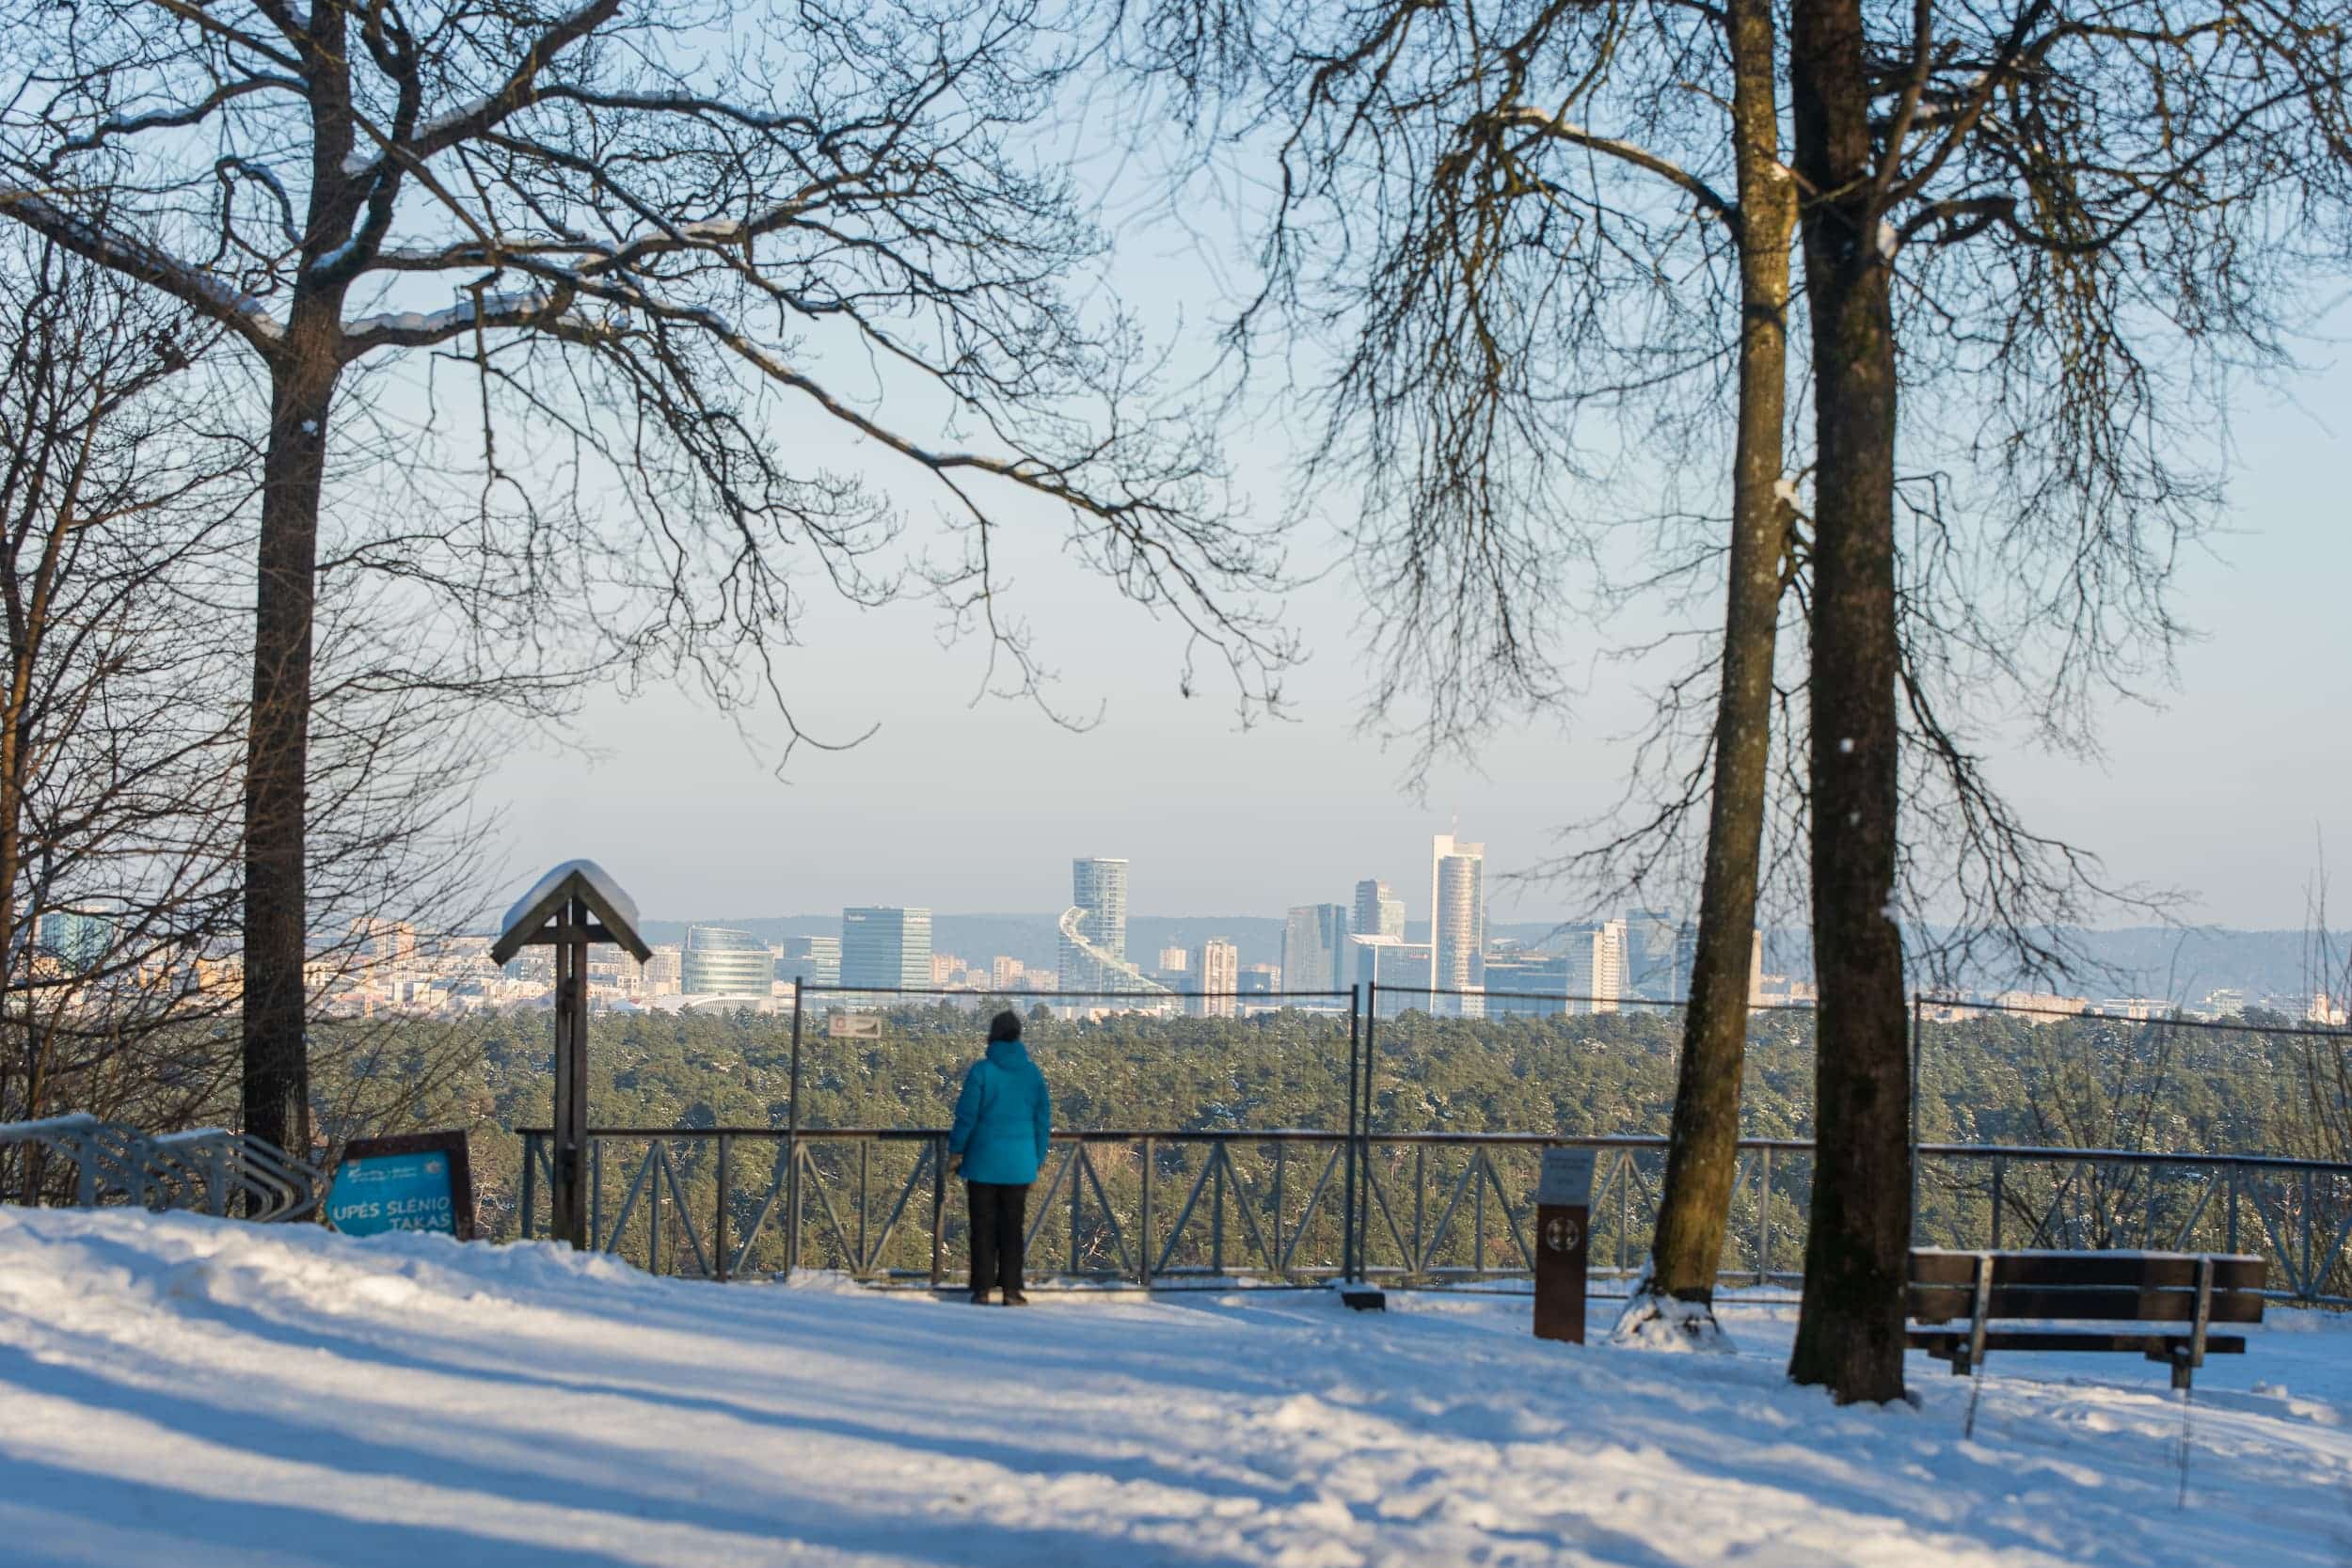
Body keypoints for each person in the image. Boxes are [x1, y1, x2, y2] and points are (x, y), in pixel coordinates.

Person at [946, 1009, 1052, 1305]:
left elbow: (966, 1117)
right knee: (1012, 1229)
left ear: (991, 1036)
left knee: (982, 1228)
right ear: (1018, 1035)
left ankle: (981, 1289)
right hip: (1019, 1165)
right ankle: (1011, 1290)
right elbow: (1043, 1120)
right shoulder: (1032, 1073)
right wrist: (1037, 1158)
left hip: (982, 1162)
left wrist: (956, 1150)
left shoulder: (981, 1071)